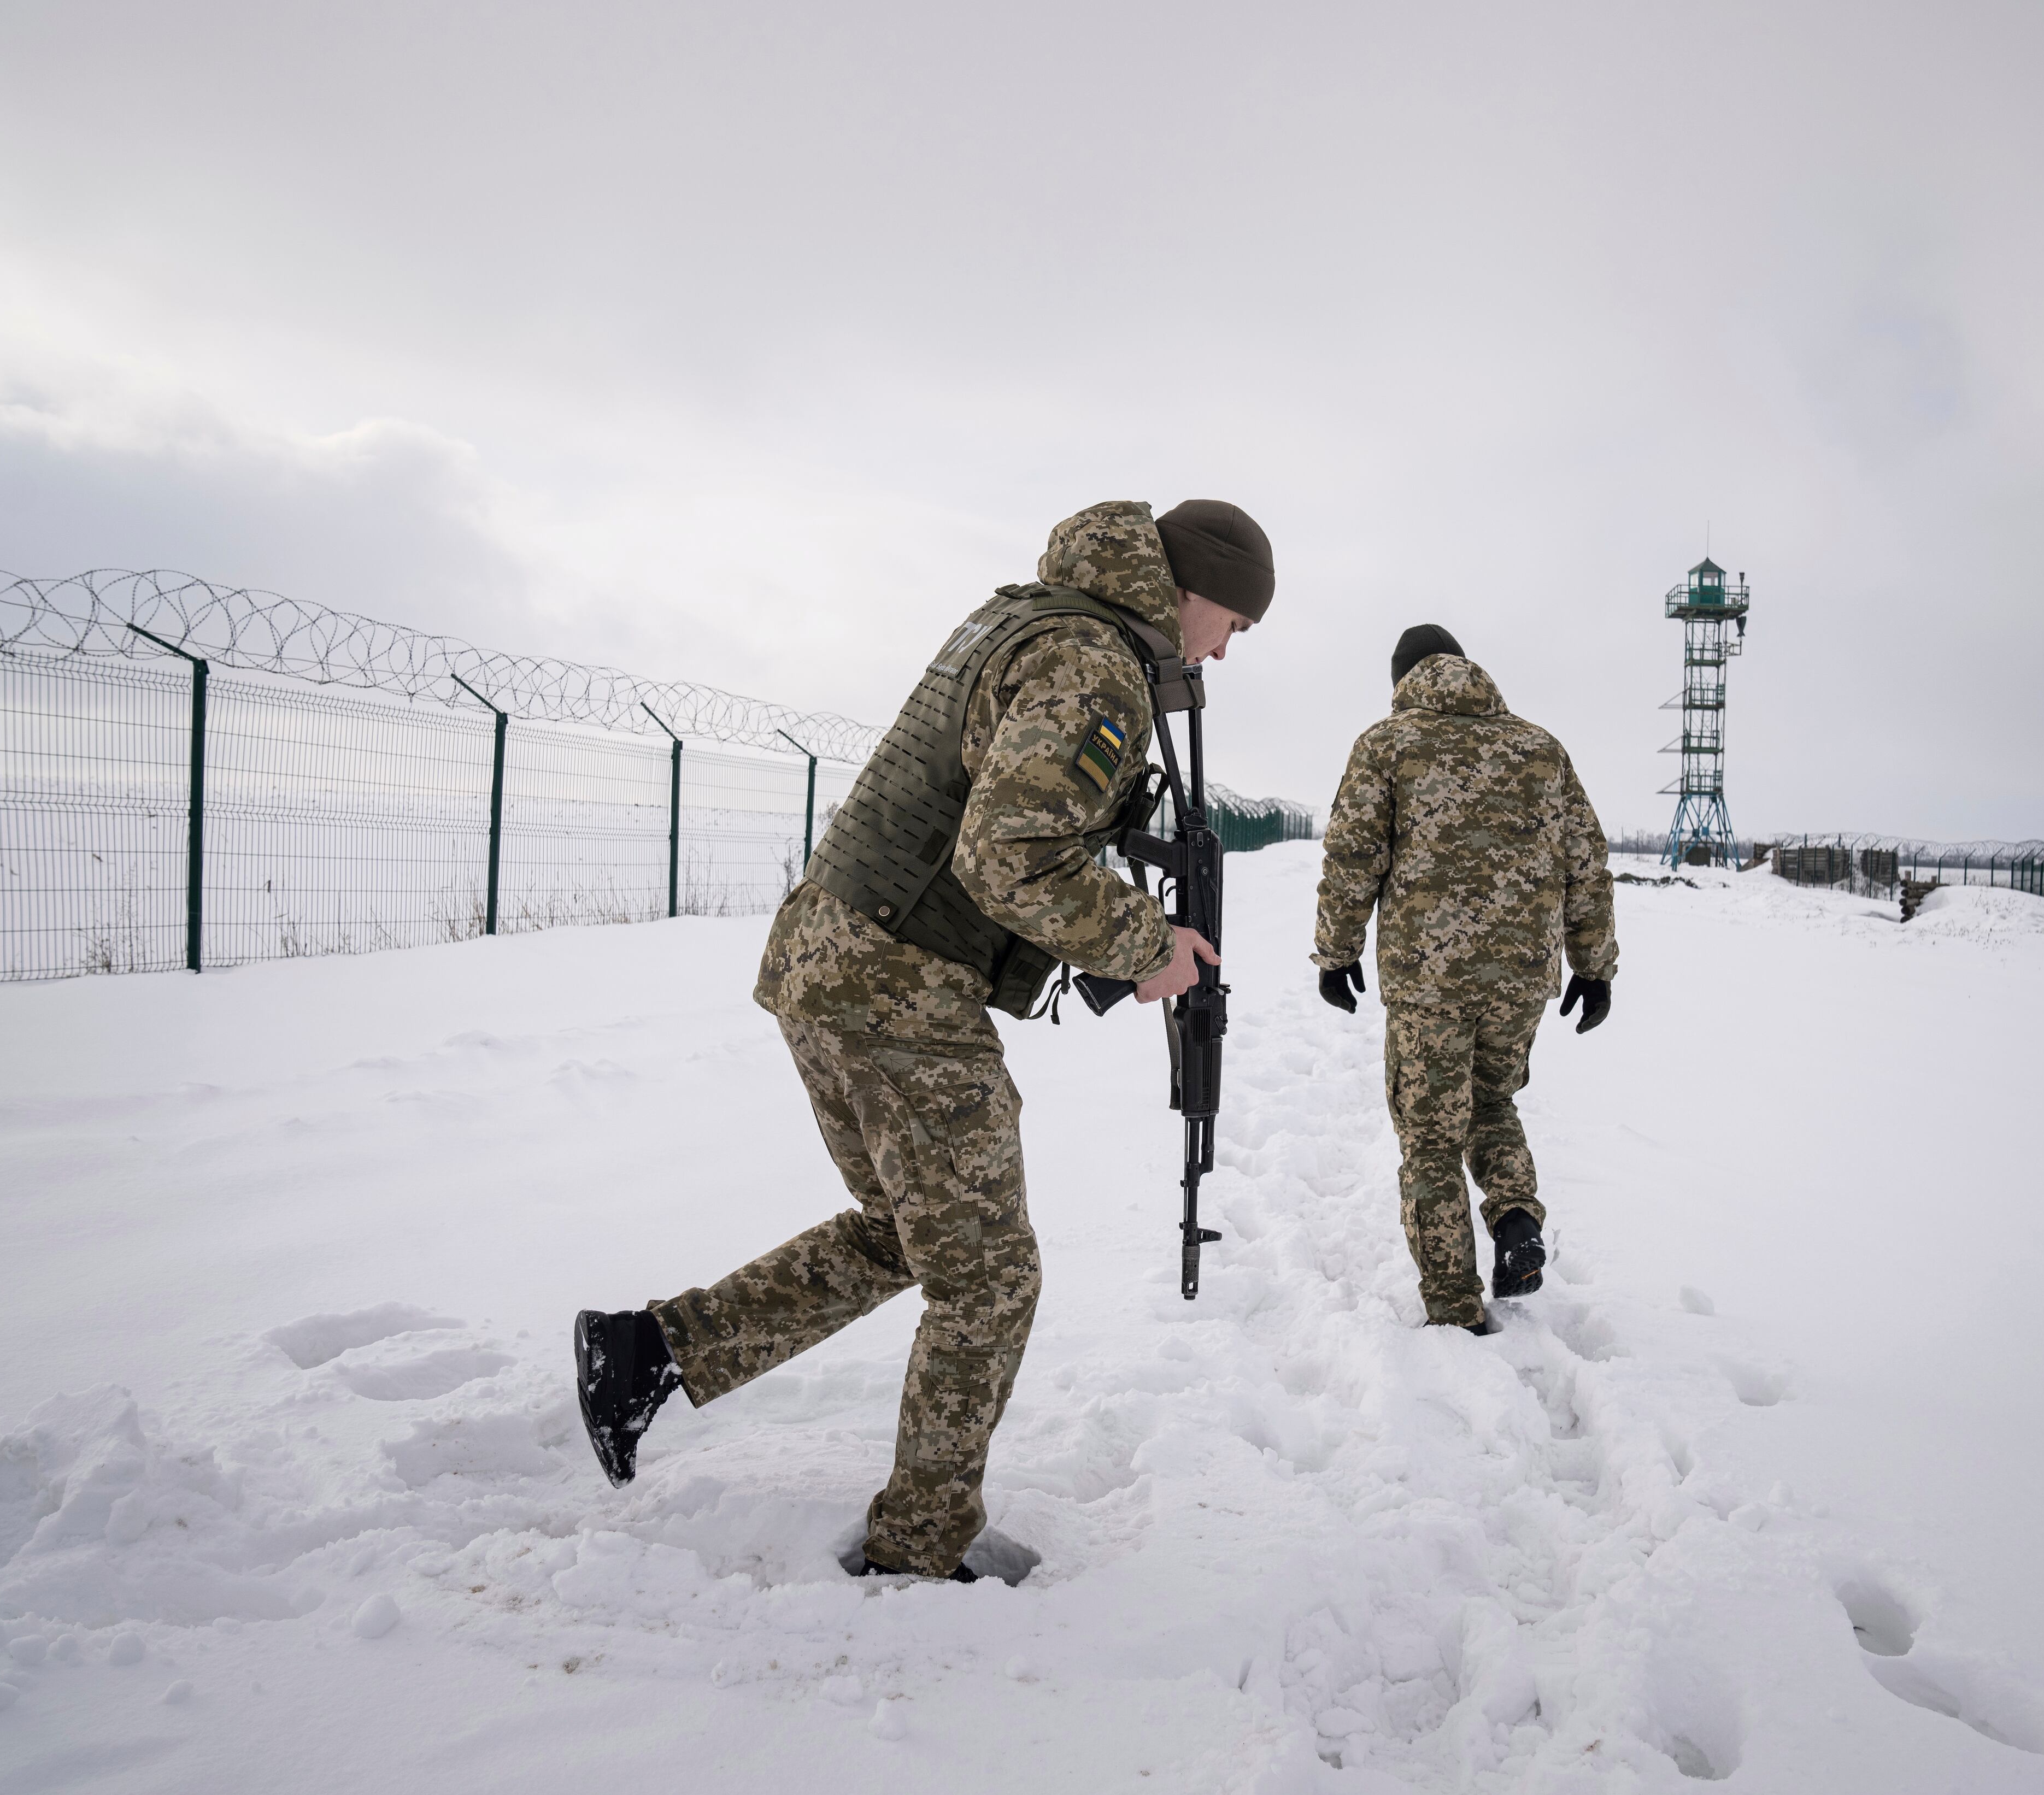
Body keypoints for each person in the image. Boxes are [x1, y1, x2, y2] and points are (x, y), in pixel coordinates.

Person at [572, 498, 1274, 1582]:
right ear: (1191, 590)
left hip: (834, 960)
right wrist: (1143, 944)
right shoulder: (1091, 662)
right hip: (892, 982)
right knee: (988, 1271)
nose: (1227, 647)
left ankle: (646, 1353)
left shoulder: (1038, 621)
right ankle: (918, 1547)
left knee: (915, 1235)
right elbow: (1010, 855)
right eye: (1232, 620)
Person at [1312, 625, 1617, 1333]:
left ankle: (1455, 1307)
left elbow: (1352, 857)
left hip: (1428, 983)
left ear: (1402, 680)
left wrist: (1336, 952)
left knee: (1430, 1141)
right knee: (1492, 1102)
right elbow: (1587, 864)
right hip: (1519, 980)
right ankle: (1515, 1218)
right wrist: (1594, 966)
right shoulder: (1541, 750)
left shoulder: (1387, 745)